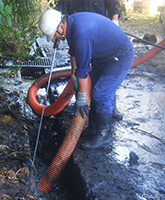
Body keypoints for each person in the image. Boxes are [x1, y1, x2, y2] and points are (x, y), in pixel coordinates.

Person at [38, 9, 134, 150]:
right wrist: (73, 75)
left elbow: (82, 70)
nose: (54, 39)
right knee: (93, 88)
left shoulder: (82, 33)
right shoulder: (71, 23)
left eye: (54, 35)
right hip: (103, 56)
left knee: (101, 93)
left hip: (119, 57)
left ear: (60, 26)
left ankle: (104, 136)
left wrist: (81, 97)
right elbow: (74, 54)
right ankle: (94, 128)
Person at [55, 0, 120, 26]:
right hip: (78, 33)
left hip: (99, 29)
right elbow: (57, 13)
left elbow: (113, 7)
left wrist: (115, 22)